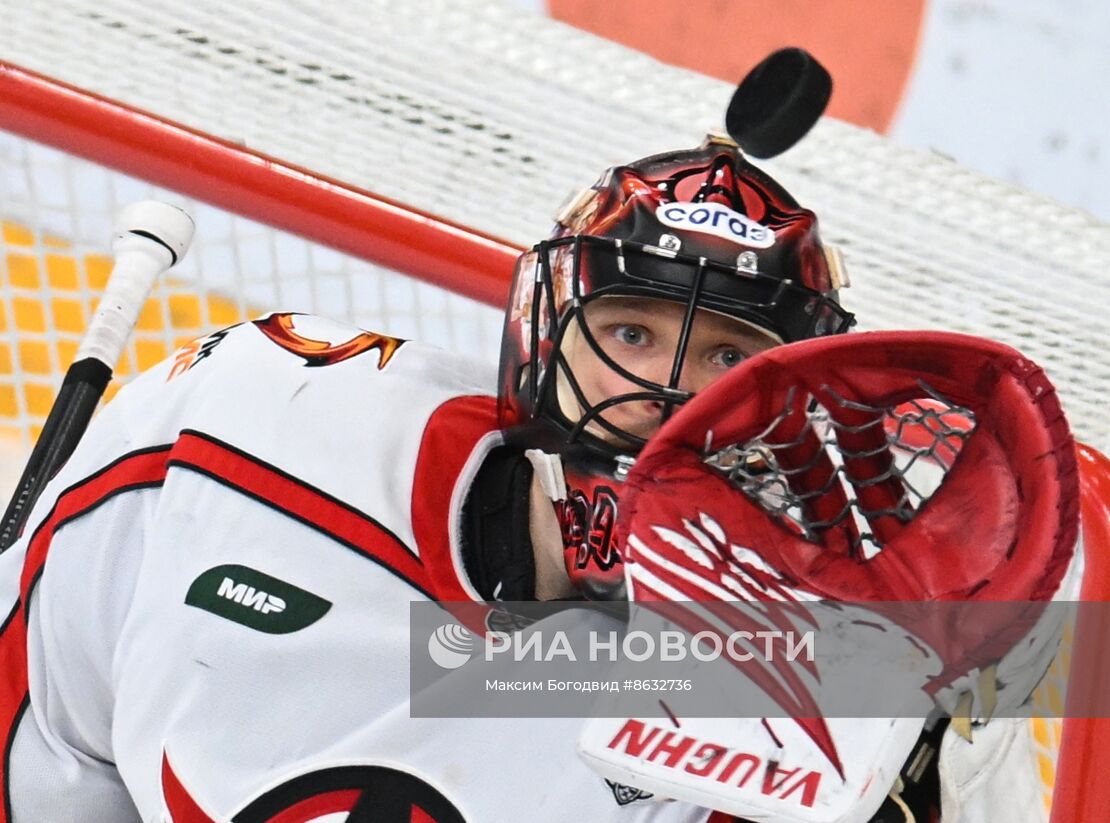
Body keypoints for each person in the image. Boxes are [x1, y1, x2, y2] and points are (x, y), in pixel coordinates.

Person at [12, 131, 1047, 822]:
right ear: (542, 333)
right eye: (632, 331)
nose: (667, 394)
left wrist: (936, 744)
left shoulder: (806, 686)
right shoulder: (245, 440)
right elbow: (45, 722)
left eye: (731, 359)